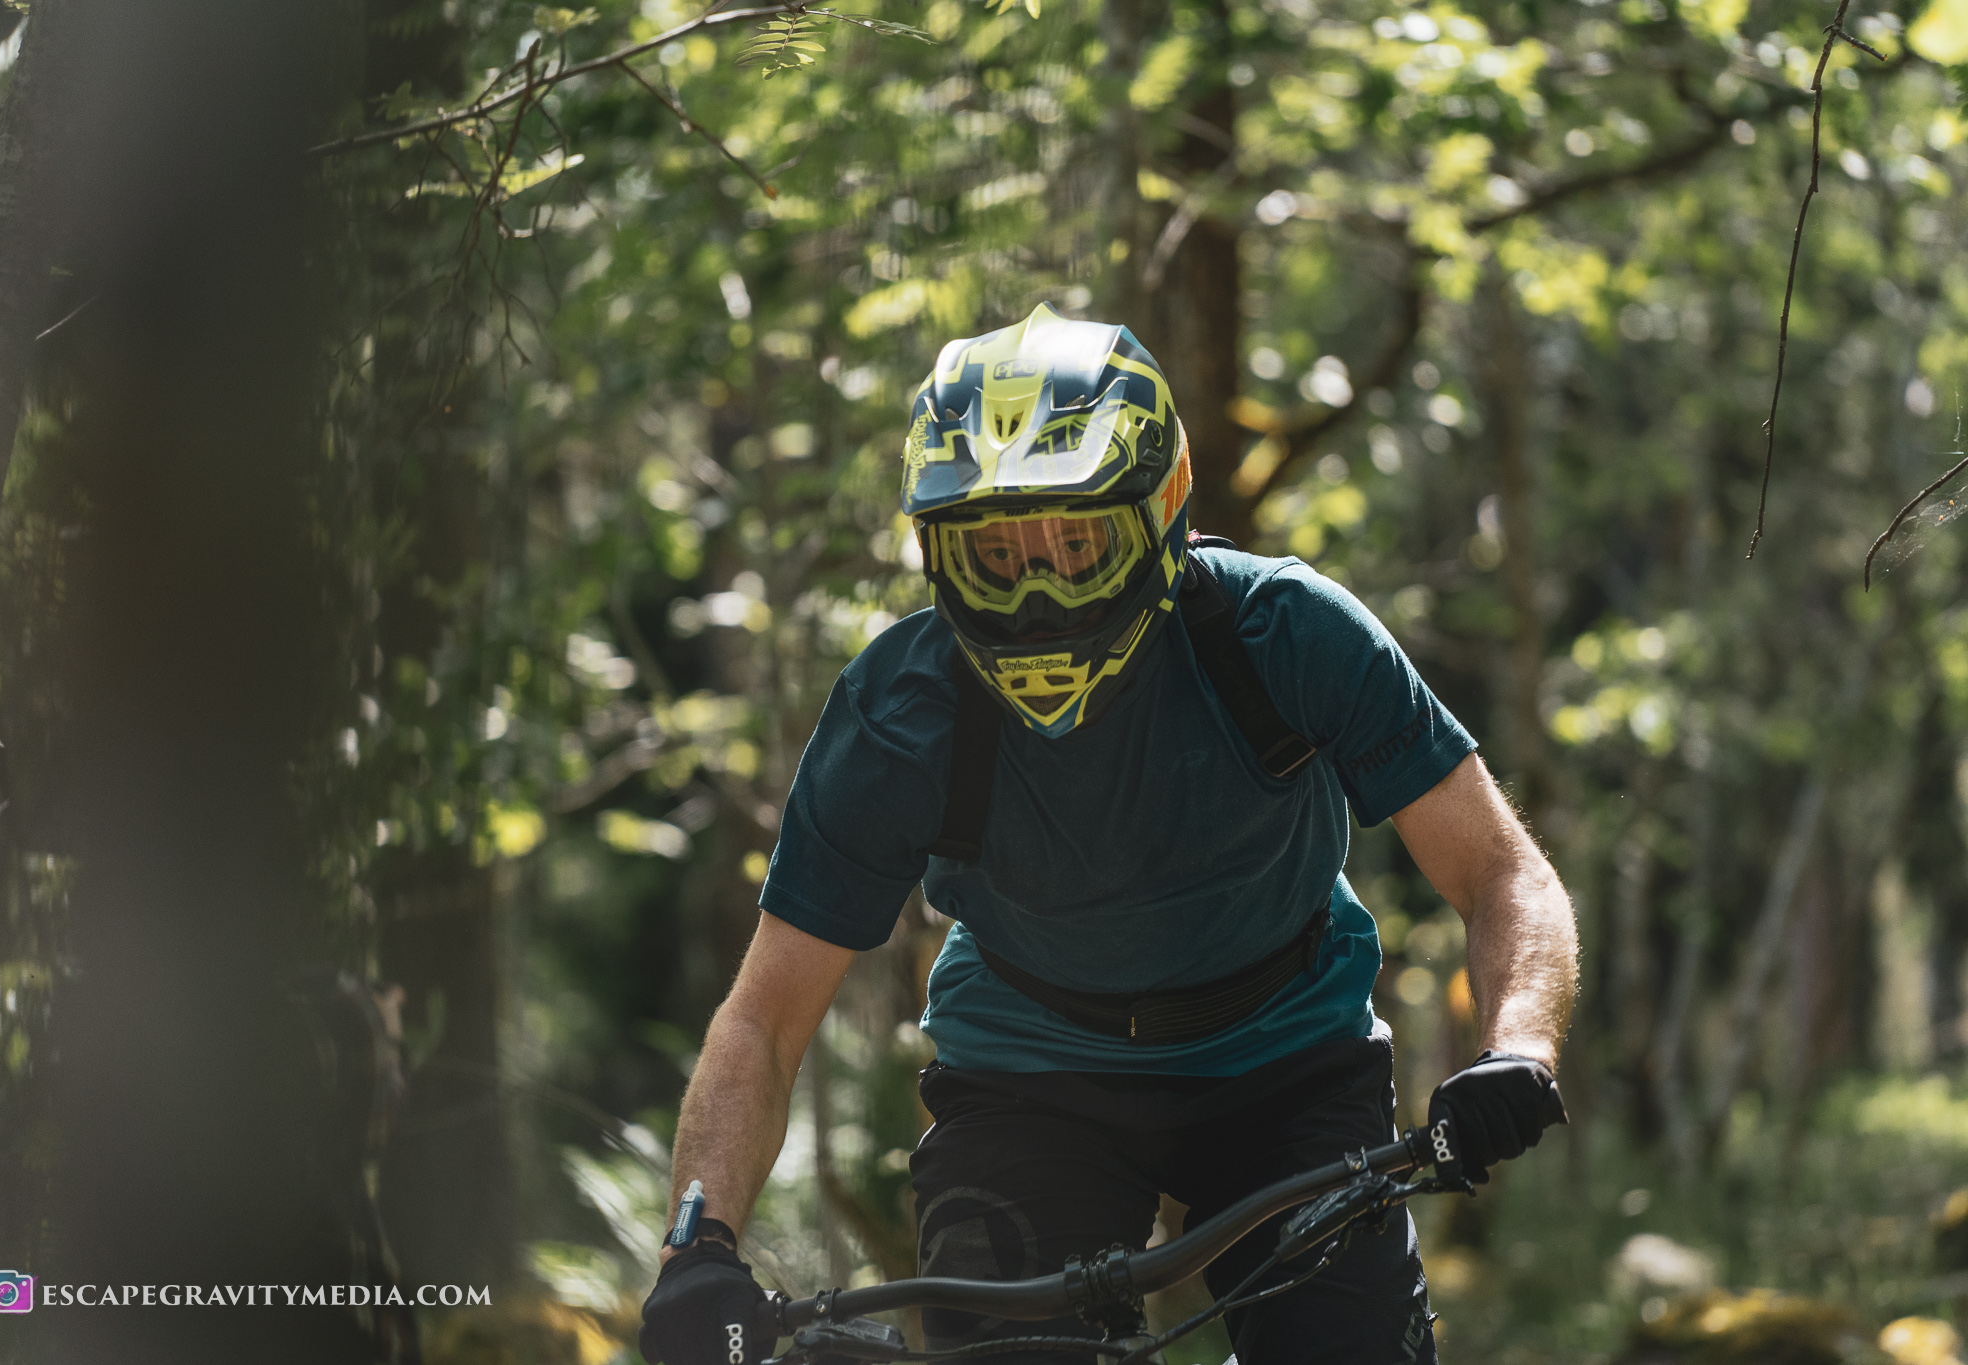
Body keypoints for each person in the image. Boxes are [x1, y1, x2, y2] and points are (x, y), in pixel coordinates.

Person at [638, 305, 1578, 1365]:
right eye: (995, 555)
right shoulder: (899, 714)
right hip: (1029, 1080)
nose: (1037, 595)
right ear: (937, 557)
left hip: (1289, 1063)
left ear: (1157, 516)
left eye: (1076, 545)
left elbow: (1500, 872)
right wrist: (696, 1247)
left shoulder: (1286, 631)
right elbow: (763, 1020)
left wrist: (1516, 1049)